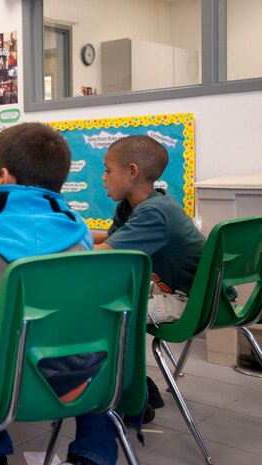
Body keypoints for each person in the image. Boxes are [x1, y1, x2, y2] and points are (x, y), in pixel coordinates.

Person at [0, 122, 121, 465]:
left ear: (4, 175)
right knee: (92, 351)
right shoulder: (78, 228)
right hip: (66, 371)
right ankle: (93, 454)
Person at [92, 134, 206, 421]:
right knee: (107, 295)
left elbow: (103, 253)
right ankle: (142, 387)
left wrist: (51, 247)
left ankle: (134, 398)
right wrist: (66, 230)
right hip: (173, 289)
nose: (103, 177)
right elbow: (109, 238)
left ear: (132, 172)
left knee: (107, 315)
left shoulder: (154, 213)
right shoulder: (132, 205)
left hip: (191, 300)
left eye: (107, 170)